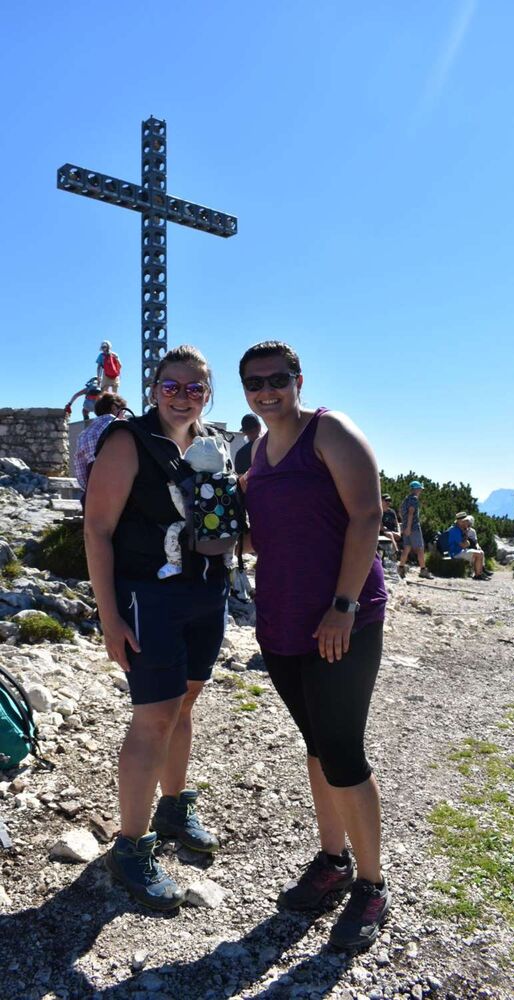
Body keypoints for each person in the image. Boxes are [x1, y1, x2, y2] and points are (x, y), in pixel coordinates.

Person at [239, 340, 390, 951]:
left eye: (277, 378)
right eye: (254, 383)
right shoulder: (258, 451)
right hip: (282, 623)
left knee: (343, 752)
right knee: (316, 746)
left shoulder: (330, 431)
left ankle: (372, 885)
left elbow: (368, 516)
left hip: (341, 621)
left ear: (298, 380)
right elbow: (272, 534)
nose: (266, 390)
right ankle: (333, 861)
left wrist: (343, 606)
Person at [84, 345, 228, 912]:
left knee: (184, 703)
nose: (182, 397)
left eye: (194, 388)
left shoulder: (212, 443)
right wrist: (109, 616)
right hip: (149, 594)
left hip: (206, 592)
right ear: (153, 390)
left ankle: (173, 806)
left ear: (207, 395)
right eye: (171, 386)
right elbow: (97, 529)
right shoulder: (128, 441)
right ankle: (130, 845)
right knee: (155, 716)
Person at [74, 392, 127, 490]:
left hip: (93, 490)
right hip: (119, 487)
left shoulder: (83, 434)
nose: (124, 416)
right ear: (114, 408)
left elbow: (80, 471)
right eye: (123, 412)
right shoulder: (121, 426)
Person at [397, 481, 433, 579]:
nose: (421, 490)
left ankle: (401, 568)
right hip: (413, 527)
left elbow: (400, 511)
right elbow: (411, 513)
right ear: (416, 489)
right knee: (420, 548)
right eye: (420, 489)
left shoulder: (406, 499)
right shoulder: (414, 499)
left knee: (407, 547)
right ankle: (423, 570)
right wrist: (409, 527)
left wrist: (405, 524)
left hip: (406, 527)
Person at [447, 513, 491, 580]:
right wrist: (467, 543)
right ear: (460, 521)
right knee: (479, 554)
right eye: (465, 521)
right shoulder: (454, 530)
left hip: (458, 551)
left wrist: (465, 533)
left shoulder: (458, 529)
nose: (466, 522)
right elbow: (463, 545)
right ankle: (478, 575)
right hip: (455, 553)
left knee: (480, 553)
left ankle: (479, 573)